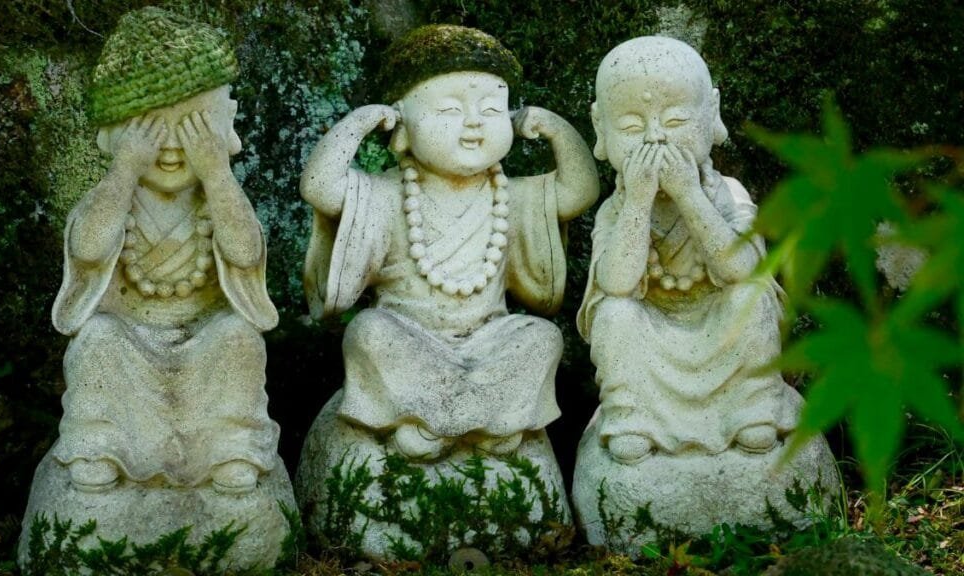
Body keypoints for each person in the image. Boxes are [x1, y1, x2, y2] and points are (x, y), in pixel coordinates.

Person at [302, 25, 599, 460]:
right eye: (449, 110)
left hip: (489, 339)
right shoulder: (386, 195)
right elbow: (320, 188)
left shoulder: (511, 196)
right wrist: (358, 124)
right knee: (368, 333)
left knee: (540, 336)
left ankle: (463, 422)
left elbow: (577, 194)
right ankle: (445, 420)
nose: (474, 122)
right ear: (402, 126)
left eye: (491, 109)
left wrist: (556, 130)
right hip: (410, 338)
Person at [50, 7, 279, 494]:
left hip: (203, 334)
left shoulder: (216, 198)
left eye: (194, 127)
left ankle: (231, 450)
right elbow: (89, 251)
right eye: (152, 129)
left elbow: (244, 254)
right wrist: (125, 171)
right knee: (96, 342)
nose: (173, 146)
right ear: (116, 134)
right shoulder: (112, 198)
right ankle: (101, 448)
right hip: (132, 336)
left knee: (239, 338)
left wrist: (217, 175)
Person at [578, 36, 801, 464]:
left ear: (711, 116)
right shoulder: (616, 210)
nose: (655, 137)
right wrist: (639, 202)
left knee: (750, 299)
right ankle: (632, 416)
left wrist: (689, 196)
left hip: (719, 328)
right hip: (652, 335)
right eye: (630, 127)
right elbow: (617, 283)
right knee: (614, 314)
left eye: (677, 119)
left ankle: (752, 406)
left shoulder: (727, 195)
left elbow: (740, 268)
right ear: (600, 130)